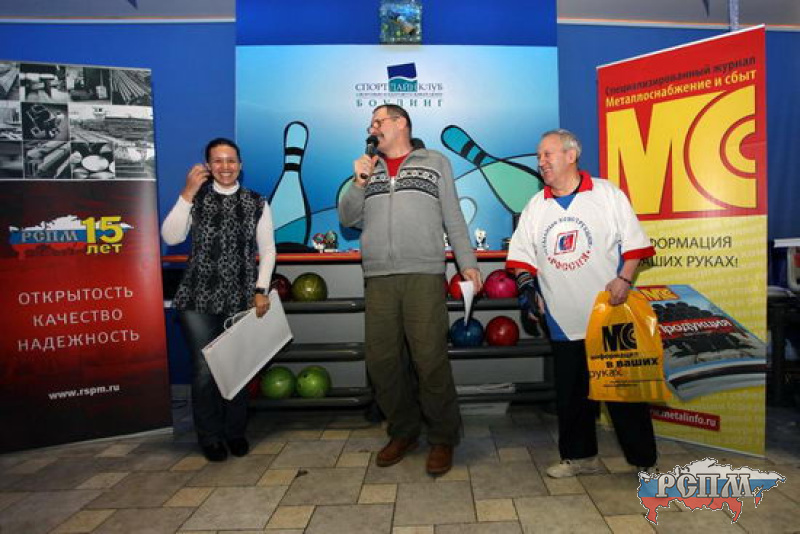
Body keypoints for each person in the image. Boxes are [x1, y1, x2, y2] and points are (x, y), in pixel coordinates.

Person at [338, 104, 482, 476]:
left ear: (401, 123)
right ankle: (403, 431)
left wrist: (467, 263)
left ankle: (443, 437)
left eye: (378, 122)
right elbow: (348, 218)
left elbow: (453, 217)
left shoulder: (435, 162)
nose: (372, 129)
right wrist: (358, 182)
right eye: (370, 124)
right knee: (382, 362)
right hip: (379, 277)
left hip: (423, 274)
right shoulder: (368, 169)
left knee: (429, 360)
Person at [506, 129, 658, 478]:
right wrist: (529, 291)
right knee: (572, 395)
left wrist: (625, 280)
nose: (541, 162)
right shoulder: (536, 205)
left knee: (623, 393)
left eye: (547, 154)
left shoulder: (607, 194)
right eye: (539, 156)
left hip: (609, 314)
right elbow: (521, 258)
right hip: (562, 317)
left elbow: (635, 245)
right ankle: (580, 457)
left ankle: (644, 461)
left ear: (571, 155)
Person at [161, 138, 276, 462]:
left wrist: (261, 290)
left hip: (240, 297)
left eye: (231, 160)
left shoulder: (256, 202)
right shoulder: (195, 198)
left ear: (240, 164)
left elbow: (268, 250)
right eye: (218, 161)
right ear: (208, 166)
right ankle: (209, 437)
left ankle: (234, 432)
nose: (225, 167)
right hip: (197, 297)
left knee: (237, 368)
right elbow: (171, 236)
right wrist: (186, 193)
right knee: (204, 369)